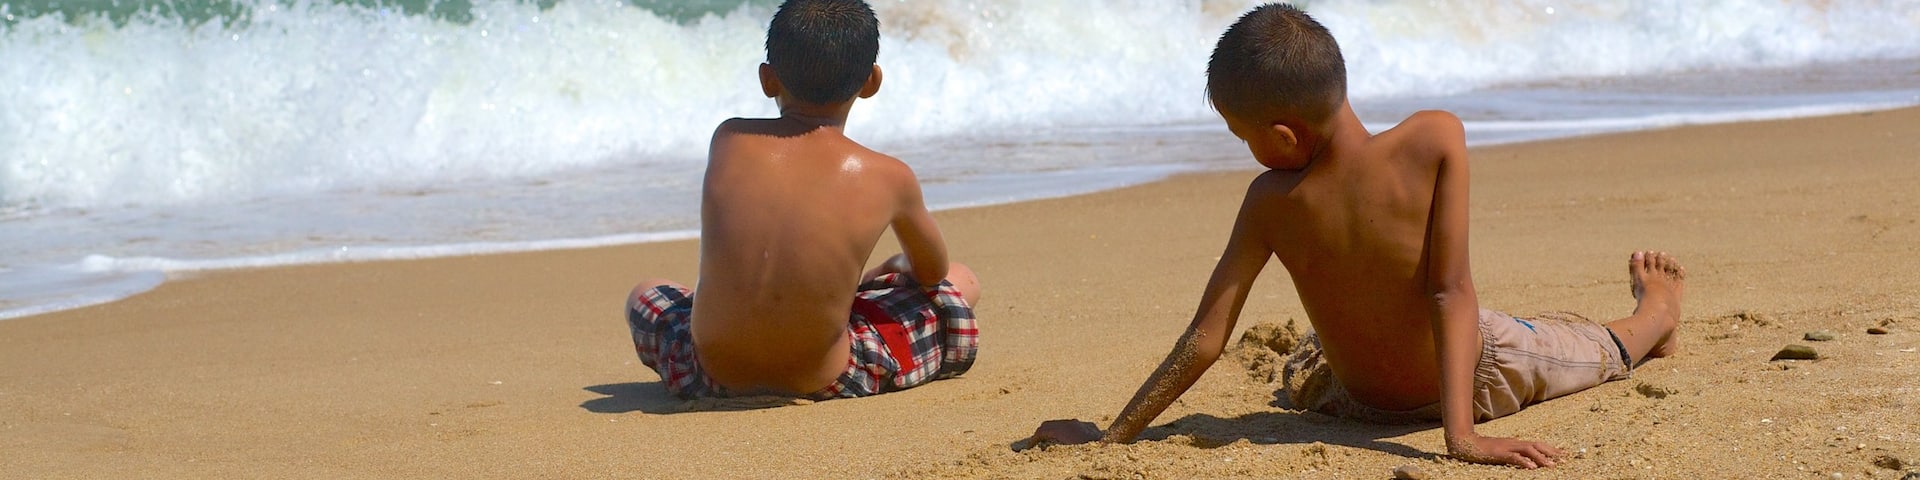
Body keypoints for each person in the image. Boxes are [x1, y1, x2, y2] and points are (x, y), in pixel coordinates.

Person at [1024, 3, 1683, 469]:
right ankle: (1644, 314)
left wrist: (1116, 434)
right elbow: (1447, 292)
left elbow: (1205, 338)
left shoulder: (1270, 204)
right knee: (1543, 342)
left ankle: (1656, 313)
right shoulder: (1435, 137)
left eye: (1242, 136)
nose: (1245, 151)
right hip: (1448, 380)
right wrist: (1460, 433)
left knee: (1599, 348)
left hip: (1404, 385)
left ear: (1284, 136)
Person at [624, 0, 983, 401]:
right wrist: (894, 266)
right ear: (871, 81)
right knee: (961, 279)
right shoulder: (890, 176)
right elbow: (932, 272)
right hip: (824, 377)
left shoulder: (728, 139)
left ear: (768, 79)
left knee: (648, 290)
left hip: (704, 373)